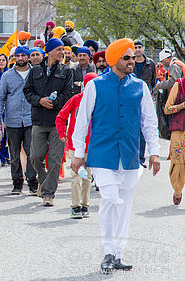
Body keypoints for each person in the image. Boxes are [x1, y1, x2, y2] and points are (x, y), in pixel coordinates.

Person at [71, 38, 160, 273]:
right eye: (127, 57)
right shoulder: (95, 86)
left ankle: (117, 253)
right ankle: (108, 250)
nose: (132, 61)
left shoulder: (140, 86)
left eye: (133, 57)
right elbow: (82, 122)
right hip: (102, 155)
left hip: (130, 156)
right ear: (114, 60)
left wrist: (155, 153)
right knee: (110, 198)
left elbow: (150, 123)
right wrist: (78, 153)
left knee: (124, 205)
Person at [24, 38, 74, 206]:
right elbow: (27, 91)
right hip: (38, 120)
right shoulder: (35, 71)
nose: (62, 52)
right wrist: (40, 101)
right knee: (35, 157)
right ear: (50, 51)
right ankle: (43, 180)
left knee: (55, 159)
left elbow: (69, 94)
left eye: (63, 49)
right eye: (59, 49)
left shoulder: (66, 71)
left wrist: (54, 103)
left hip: (58, 123)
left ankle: (48, 193)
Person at [0, 46, 38, 195]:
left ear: (28, 57)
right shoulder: (7, 76)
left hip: (31, 119)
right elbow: (0, 97)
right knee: (14, 154)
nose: (20, 58)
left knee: (31, 152)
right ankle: (17, 182)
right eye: (17, 56)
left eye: (23, 56)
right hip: (12, 120)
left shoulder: (35, 73)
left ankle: (32, 181)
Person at [56, 73, 97, 219]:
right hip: (75, 144)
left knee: (87, 177)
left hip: (92, 145)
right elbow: (61, 116)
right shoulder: (76, 99)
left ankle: (85, 204)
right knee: (76, 176)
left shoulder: (100, 101)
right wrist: (62, 133)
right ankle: (75, 206)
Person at [133, 40, 157, 168]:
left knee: (144, 128)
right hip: (131, 98)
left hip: (144, 98)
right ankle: (133, 156)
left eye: (139, 47)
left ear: (143, 48)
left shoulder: (150, 64)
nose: (137, 49)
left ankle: (140, 158)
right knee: (132, 128)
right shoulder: (129, 62)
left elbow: (153, 81)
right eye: (135, 47)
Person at [163, 79, 185, 205]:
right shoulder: (180, 85)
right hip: (179, 130)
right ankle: (177, 190)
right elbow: (167, 109)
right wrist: (181, 106)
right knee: (178, 162)